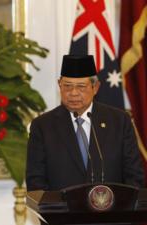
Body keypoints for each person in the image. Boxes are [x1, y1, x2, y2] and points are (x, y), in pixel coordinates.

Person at [26, 55, 145, 192]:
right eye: (67, 86)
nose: (73, 93)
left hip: (112, 211)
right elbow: (36, 182)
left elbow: (134, 177)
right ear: (59, 85)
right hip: (60, 212)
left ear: (95, 87)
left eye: (81, 87)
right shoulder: (42, 126)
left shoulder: (119, 122)